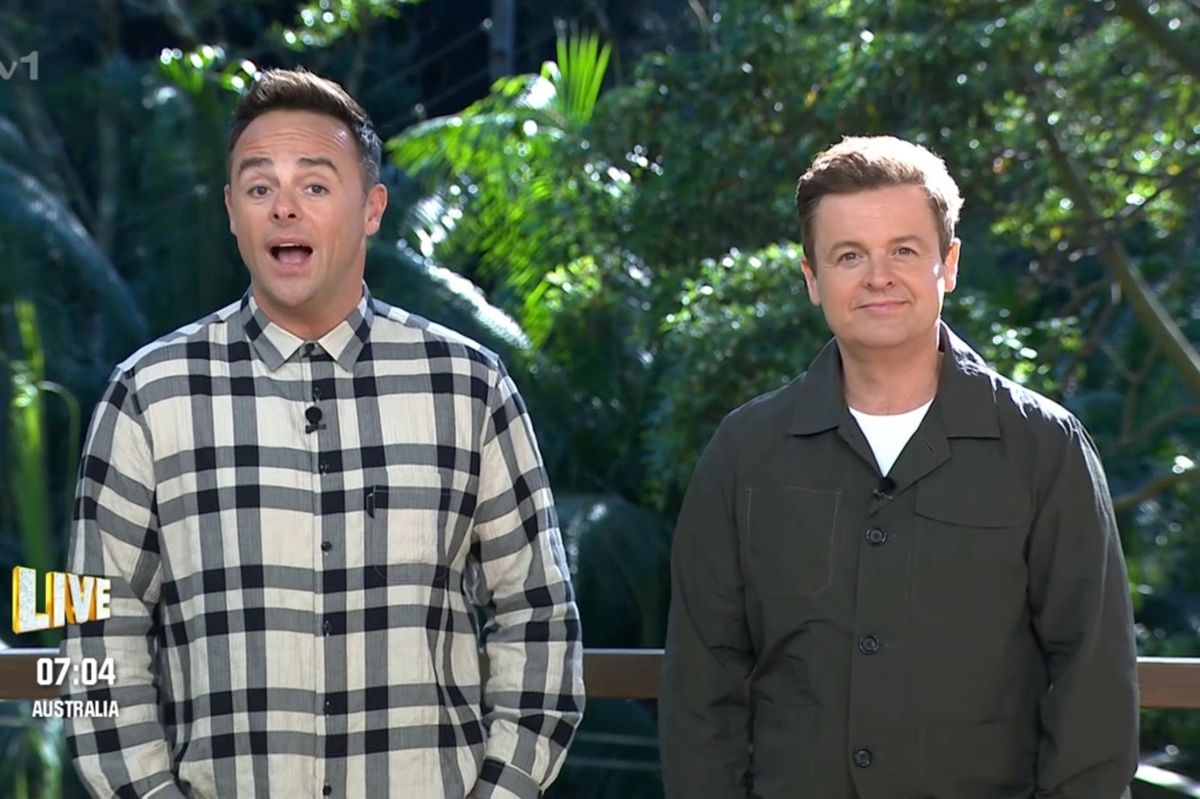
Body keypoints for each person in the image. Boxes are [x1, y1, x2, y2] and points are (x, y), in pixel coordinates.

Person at [61, 67, 584, 799]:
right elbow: (90, 632)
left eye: (313, 184)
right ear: (231, 212)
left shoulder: (469, 386)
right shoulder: (147, 394)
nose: (284, 208)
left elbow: (539, 613)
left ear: (371, 208)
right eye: (258, 187)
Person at [659, 135, 1138, 797]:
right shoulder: (744, 453)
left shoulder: (1044, 448)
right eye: (849, 255)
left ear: (949, 264)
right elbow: (700, 687)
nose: (878, 277)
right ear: (812, 278)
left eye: (904, 251)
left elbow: (1093, 679)